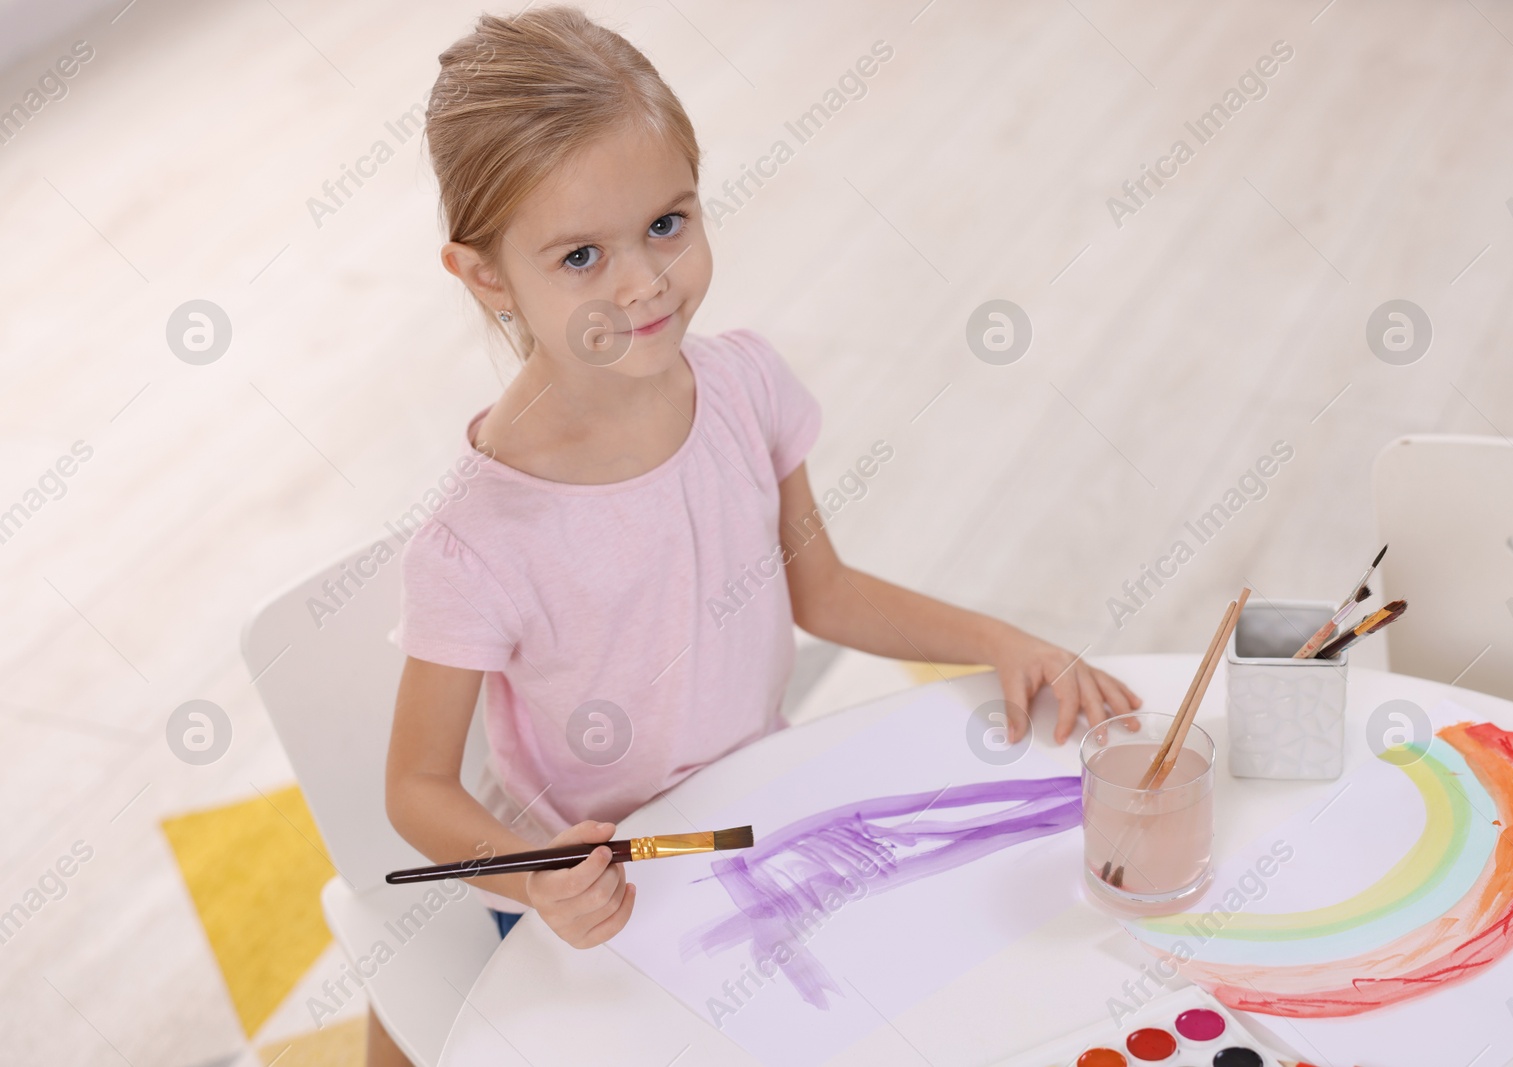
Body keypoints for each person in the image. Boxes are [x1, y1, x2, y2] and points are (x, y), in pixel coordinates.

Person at [380, 7, 1139, 1064]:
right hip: (592, 889)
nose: (643, 283)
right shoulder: (477, 542)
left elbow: (816, 587)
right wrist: (526, 872)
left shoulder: (742, 385)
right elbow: (415, 787)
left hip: (756, 815)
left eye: (667, 223)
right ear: (487, 276)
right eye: (582, 255)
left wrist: (1001, 639)